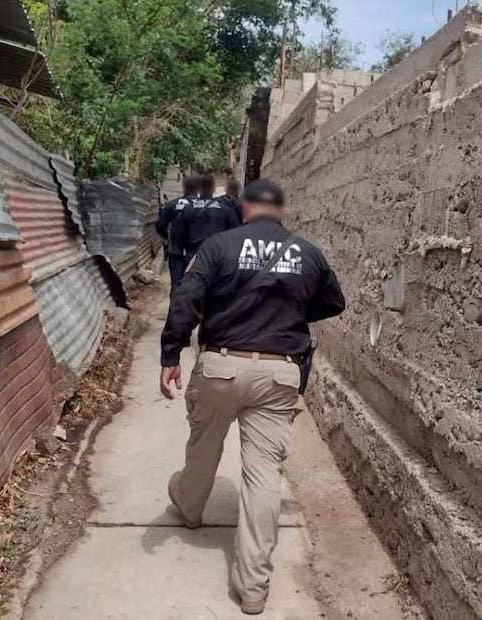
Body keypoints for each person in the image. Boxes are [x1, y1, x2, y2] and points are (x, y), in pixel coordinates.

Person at [159, 179, 345, 615]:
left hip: (221, 367)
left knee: (204, 449)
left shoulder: (218, 247)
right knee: (263, 476)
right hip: (279, 374)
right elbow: (333, 302)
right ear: (282, 209)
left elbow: (187, 298)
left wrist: (171, 353)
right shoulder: (308, 253)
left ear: (243, 207)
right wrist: (289, 311)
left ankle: (190, 509)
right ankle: (253, 589)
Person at [170, 174, 242, 262]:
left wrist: (188, 247)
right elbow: (235, 232)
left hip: (194, 256)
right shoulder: (225, 208)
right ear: (214, 188)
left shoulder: (188, 209)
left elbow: (177, 233)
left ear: (199, 188)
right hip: (218, 257)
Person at [155, 175, 200, 291]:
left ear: (184, 188)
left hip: (176, 250)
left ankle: (176, 301)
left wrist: (168, 238)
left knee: (176, 283)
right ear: (198, 188)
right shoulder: (204, 206)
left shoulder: (172, 205)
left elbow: (160, 225)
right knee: (196, 284)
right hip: (197, 252)